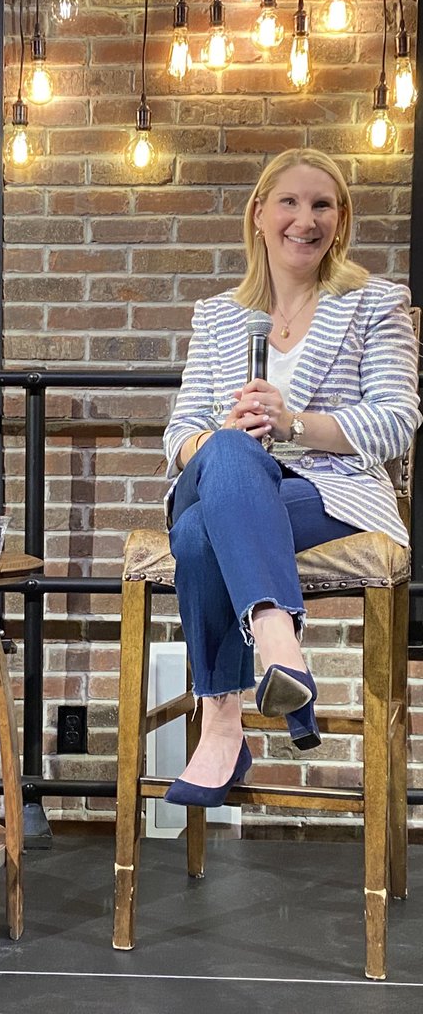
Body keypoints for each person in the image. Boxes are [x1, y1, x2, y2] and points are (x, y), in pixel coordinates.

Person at [161, 147, 420, 807]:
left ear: (341, 220)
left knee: (196, 536)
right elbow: (179, 435)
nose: (305, 220)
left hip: (331, 493)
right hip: (224, 477)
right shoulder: (218, 316)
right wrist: (224, 437)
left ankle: (222, 724)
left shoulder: (376, 303)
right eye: (290, 202)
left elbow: (396, 423)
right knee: (225, 452)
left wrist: (293, 423)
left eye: (322, 205)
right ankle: (278, 635)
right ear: (258, 215)